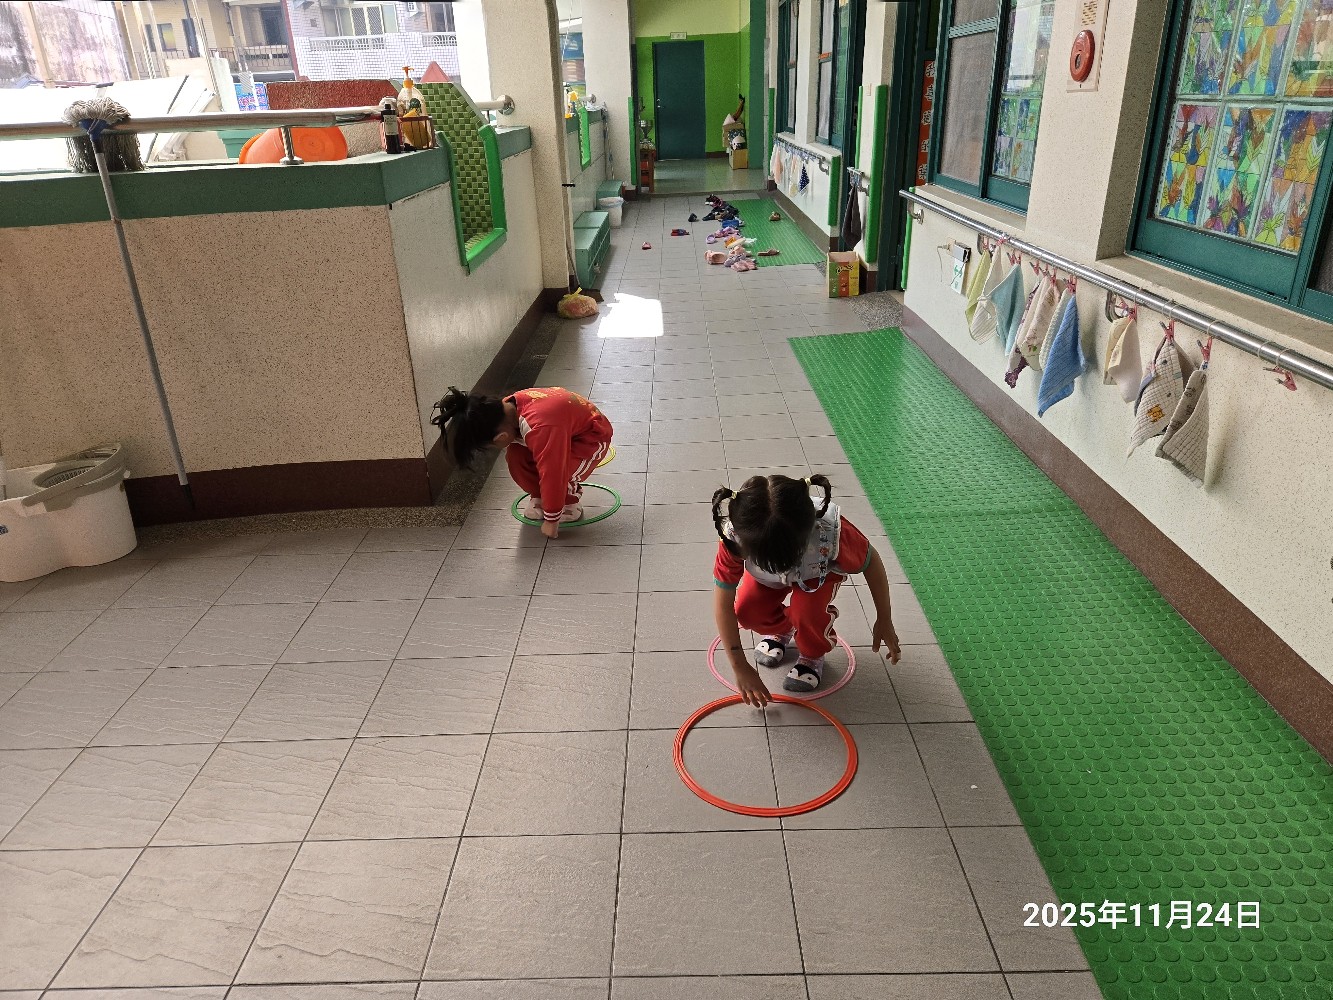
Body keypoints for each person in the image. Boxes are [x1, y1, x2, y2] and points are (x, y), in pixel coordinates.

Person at [712, 473, 901, 705]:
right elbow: (724, 604)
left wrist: (884, 618)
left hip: (816, 573)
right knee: (747, 610)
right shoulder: (735, 537)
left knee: (808, 614)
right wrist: (739, 666)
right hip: (765, 577)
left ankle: (812, 653)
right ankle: (783, 630)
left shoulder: (830, 532)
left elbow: (871, 562)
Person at [432, 386, 613, 539]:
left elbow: (554, 470)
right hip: (558, 430)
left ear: (501, 437)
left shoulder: (541, 425)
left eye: (492, 445)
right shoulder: (504, 409)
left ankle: (569, 500)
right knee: (515, 457)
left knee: (559, 470)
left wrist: (552, 519)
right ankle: (541, 496)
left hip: (589, 438)